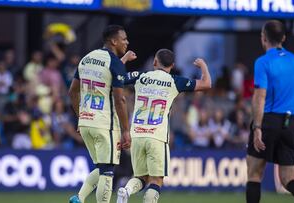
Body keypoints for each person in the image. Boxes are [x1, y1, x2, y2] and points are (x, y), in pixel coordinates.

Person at [116, 49, 211, 203]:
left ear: (154, 62)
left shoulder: (141, 77)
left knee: (141, 177)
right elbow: (206, 84)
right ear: (172, 65)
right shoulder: (174, 81)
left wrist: (124, 59)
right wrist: (203, 66)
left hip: (137, 135)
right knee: (156, 180)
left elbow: (116, 77)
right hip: (157, 137)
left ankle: (126, 190)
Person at [68, 25, 137, 203]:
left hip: (86, 123)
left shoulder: (86, 59)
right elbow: (120, 100)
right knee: (107, 171)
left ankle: (79, 198)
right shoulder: (113, 63)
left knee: (101, 167)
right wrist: (126, 130)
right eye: (124, 39)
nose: (127, 42)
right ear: (114, 41)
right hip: (105, 124)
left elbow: (72, 92)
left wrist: (80, 116)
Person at [246, 20, 294, 203]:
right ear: (283, 38)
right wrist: (292, 122)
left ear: (263, 38)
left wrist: (257, 127)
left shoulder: (263, 62)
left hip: (268, 121)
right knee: (289, 179)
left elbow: (260, 96)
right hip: (291, 123)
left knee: (254, 174)